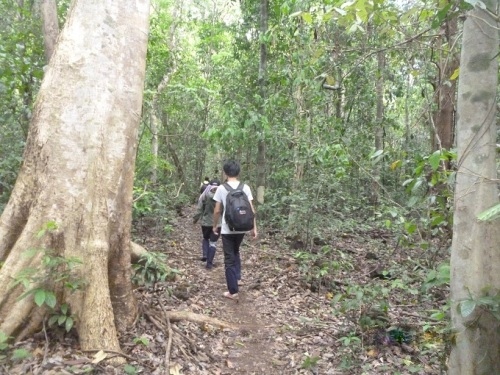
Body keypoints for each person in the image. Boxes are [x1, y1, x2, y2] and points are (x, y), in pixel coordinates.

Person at [212, 160, 257, 300]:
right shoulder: (246, 187)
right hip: (242, 227)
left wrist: (215, 225)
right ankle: (237, 277)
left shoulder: (221, 188)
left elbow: (217, 210)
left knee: (229, 259)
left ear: (225, 173)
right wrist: (254, 227)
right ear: (238, 172)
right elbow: (251, 209)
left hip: (228, 229)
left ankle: (233, 291)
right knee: (236, 251)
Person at [193, 179, 221, 269]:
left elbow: (199, 209)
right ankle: (209, 263)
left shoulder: (204, 195)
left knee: (205, 238)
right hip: (217, 223)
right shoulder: (222, 197)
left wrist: (195, 219)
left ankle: (205, 254)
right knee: (213, 242)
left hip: (205, 222)